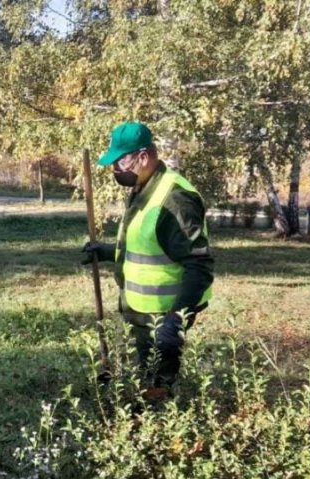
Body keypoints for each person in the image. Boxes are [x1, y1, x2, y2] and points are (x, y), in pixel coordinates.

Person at [83, 121, 214, 398]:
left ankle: (158, 427)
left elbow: (199, 266)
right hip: (143, 311)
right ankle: (145, 417)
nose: (114, 170)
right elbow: (148, 242)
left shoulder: (174, 199)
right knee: (145, 373)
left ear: (142, 157)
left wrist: (175, 321)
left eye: (119, 163)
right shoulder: (144, 188)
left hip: (163, 315)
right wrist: (106, 252)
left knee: (158, 382)